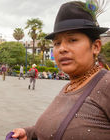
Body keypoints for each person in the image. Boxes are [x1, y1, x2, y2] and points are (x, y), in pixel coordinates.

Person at [12, 1, 110, 140]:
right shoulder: (69, 86)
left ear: (96, 46)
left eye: (73, 40)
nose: (62, 48)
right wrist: (29, 133)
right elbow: (55, 128)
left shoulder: (106, 84)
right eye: (57, 43)